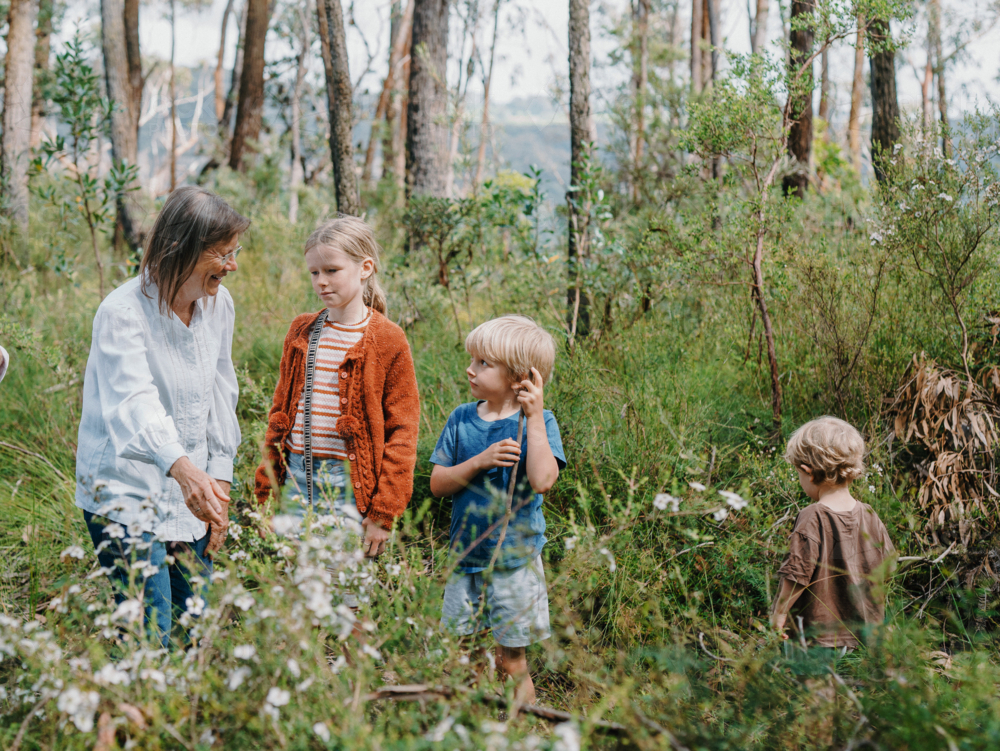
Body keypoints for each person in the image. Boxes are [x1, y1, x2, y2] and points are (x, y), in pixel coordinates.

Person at [75, 186, 249, 647]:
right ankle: (131, 714)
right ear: (182, 249)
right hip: (127, 494)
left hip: (191, 493)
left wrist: (220, 482)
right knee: (149, 635)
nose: (232, 266)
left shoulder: (219, 305)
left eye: (236, 252)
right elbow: (135, 403)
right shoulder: (122, 313)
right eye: (223, 254)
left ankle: (176, 717)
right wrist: (186, 472)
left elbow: (220, 391)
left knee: (192, 629)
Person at [254, 216, 419, 585]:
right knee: (297, 593)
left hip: (349, 488)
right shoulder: (302, 329)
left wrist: (383, 513)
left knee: (347, 599)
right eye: (314, 272)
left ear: (365, 268)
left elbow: (403, 433)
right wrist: (266, 494)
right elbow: (279, 415)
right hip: (296, 479)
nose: (321, 281)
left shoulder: (389, 339)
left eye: (331, 270)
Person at [430, 315, 565, 704]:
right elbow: (438, 485)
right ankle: (470, 725)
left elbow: (542, 480)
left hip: (514, 561)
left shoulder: (537, 423)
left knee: (511, 659)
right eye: (472, 360)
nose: (470, 369)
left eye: (483, 363)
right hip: (466, 556)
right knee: (464, 654)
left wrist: (535, 417)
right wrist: (479, 461)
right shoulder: (461, 418)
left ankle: (524, 730)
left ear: (520, 377)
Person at [771, 416, 896, 659]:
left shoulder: (812, 516)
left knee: (816, 693)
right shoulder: (869, 514)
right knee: (854, 691)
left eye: (798, 473)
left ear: (808, 472)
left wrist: (779, 614)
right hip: (864, 635)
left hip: (818, 637)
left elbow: (797, 574)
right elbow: (887, 565)